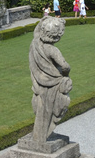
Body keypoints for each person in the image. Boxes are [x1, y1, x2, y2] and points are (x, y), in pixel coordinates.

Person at [29, 17, 72, 147]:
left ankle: (38, 136)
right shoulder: (52, 50)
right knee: (48, 110)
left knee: (41, 109)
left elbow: (37, 30)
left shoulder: (35, 43)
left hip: (39, 83)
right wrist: (65, 73)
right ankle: (42, 137)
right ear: (57, 36)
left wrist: (45, 19)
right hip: (53, 84)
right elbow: (65, 66)